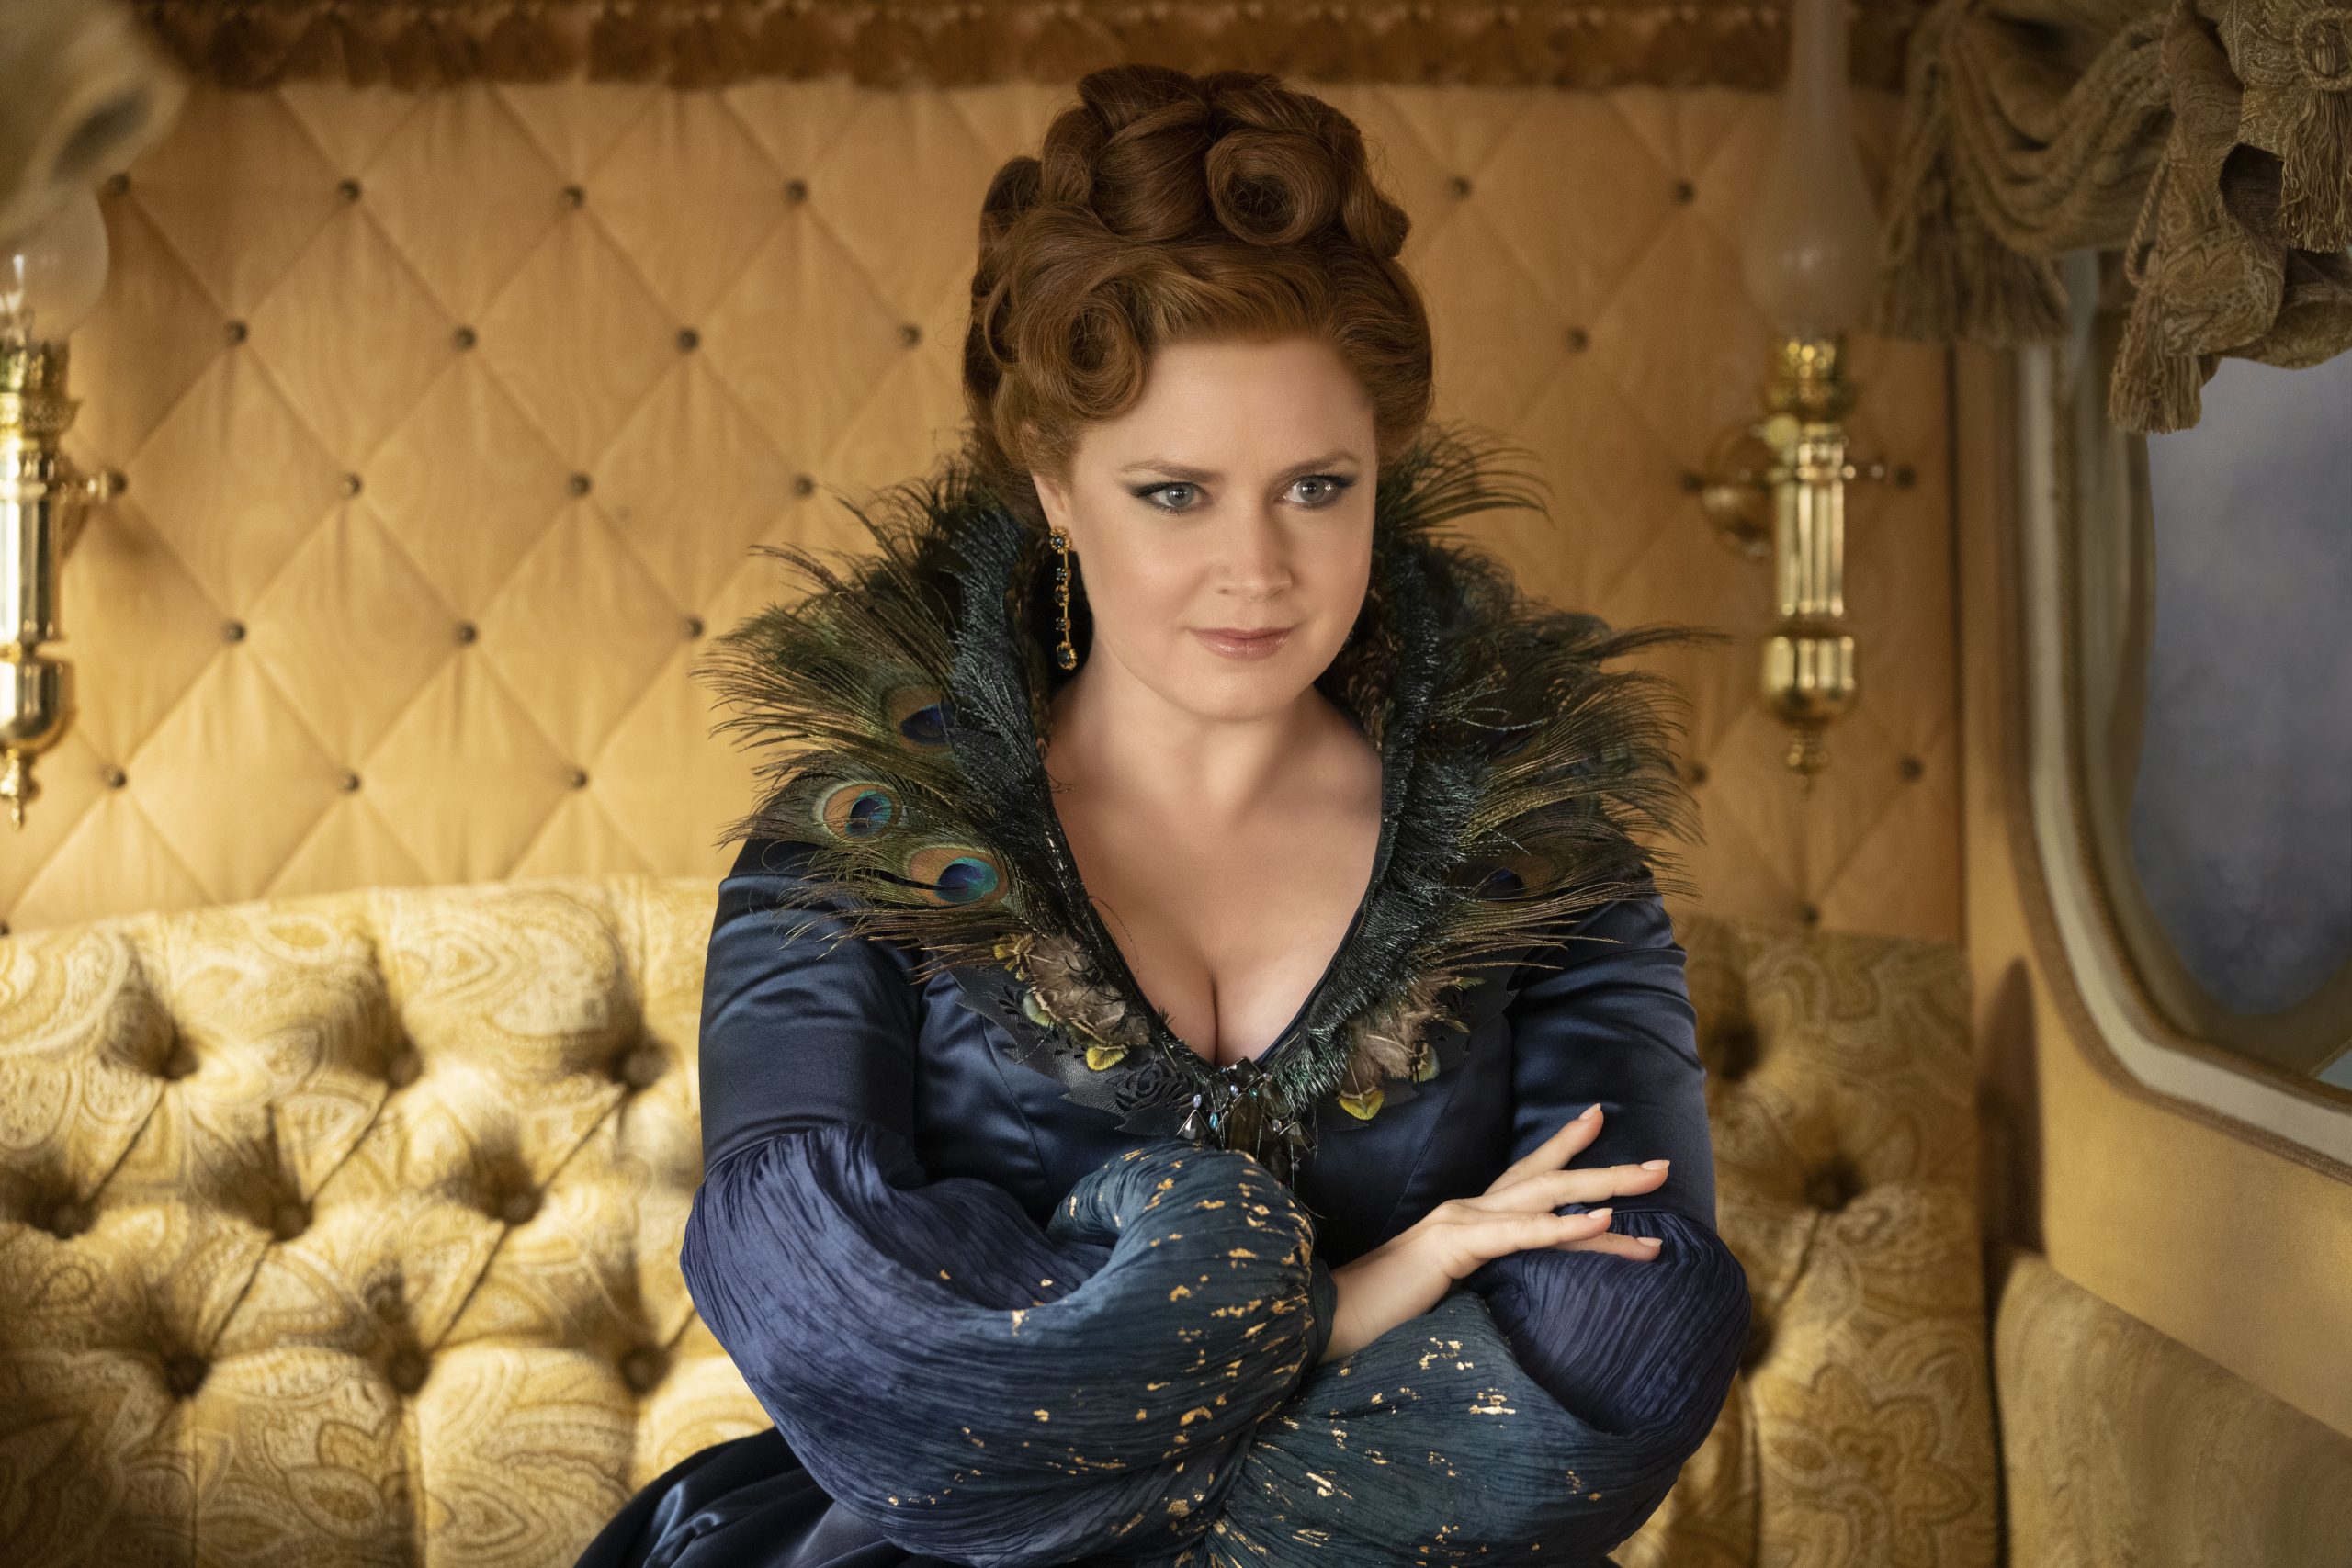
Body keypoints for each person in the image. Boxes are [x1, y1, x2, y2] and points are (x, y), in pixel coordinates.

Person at [575, 62, 1748, 1568]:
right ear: (1056, 488)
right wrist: (1353, 1299)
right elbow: (856, 1348)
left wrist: (1086, 1404)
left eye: (1315, 487)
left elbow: (1612, 1372)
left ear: (1383, 475)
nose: (1257, 568)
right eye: (1175, 494)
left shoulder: (1554, 862)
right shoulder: (848, 855)